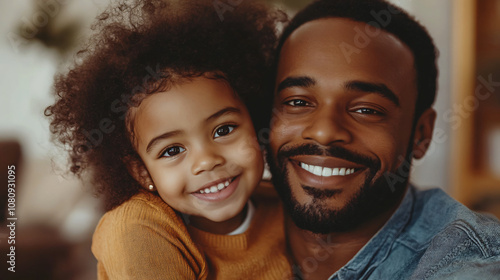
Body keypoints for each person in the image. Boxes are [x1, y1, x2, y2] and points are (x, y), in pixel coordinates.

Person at [45, 0, 291, 279]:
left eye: (223, 130)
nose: (207, 161)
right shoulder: (136, 228)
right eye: (172, 150)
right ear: (141, 171)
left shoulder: (284, 203)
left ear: (255, 119)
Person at [265, 0, 500, 279]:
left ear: (421, 134)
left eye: (366, 110)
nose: (324, 132)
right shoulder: (219, 224)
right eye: (297, 102)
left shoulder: (466, 262)